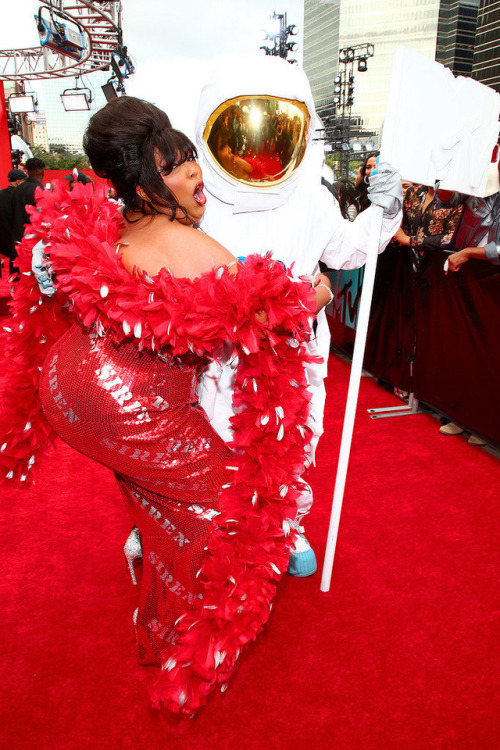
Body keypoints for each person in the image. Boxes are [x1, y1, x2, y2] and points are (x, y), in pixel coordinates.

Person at [0, 96, 331, 716]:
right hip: (126, 402)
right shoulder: (191, 248)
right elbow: (268, 314)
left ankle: (162, 620)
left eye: (195, 160)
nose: (197, 173)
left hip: (73, 382)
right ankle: (191, 642)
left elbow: (66, 273)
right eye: (179, 165)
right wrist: (314, 295)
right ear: (150, 175)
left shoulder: (115, 229)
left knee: (159, 503)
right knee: (231, 503)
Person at [193, 56, 402, 576]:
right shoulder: (198, 201)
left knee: (297, 439)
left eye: (276, 131)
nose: (260, 152)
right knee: (219, 436)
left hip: (295, 351)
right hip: (221, 353)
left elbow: (351, 251)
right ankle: (219, 530)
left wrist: (387, 210)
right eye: (242, 131)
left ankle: (289, 526)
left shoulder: (311, 197)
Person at [10, 157, 45, 271]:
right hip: (34, 243)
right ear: (43, 172)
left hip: (17, 241)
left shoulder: (16, 190)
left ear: (27, 172)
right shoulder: (41, 191)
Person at [0, 168, 27, 275]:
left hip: (3, 240)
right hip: (17, 240)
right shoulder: (20, 196)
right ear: (18, 182)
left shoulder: (1, 194)